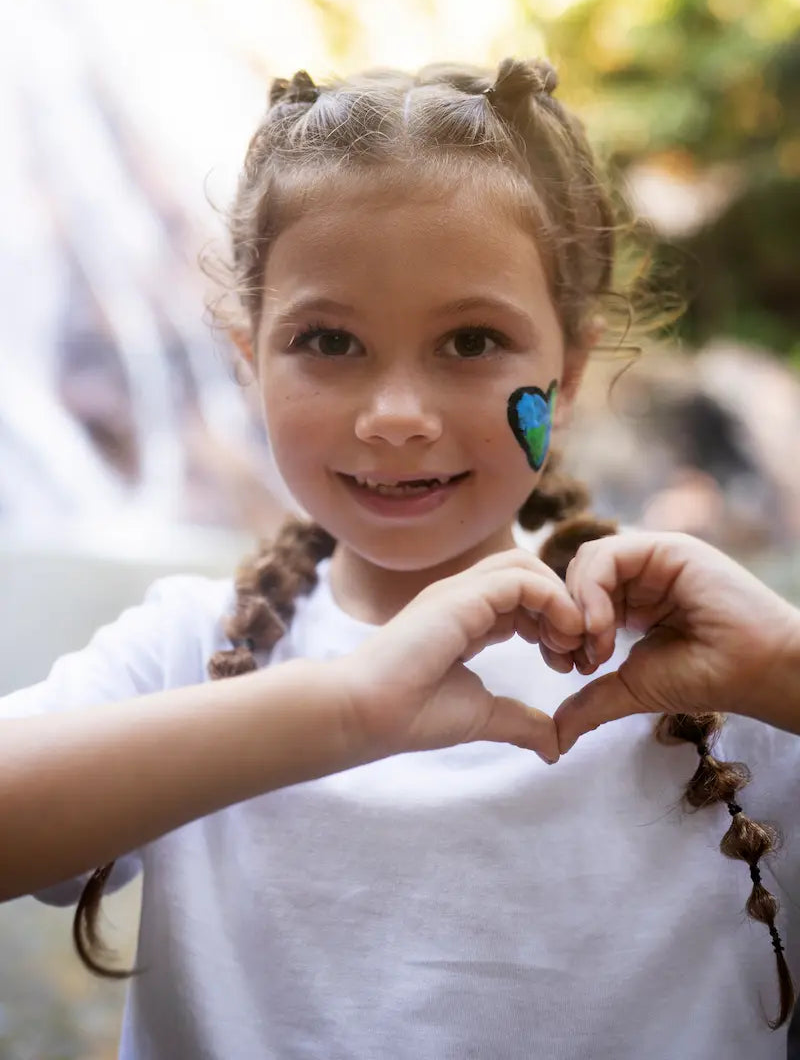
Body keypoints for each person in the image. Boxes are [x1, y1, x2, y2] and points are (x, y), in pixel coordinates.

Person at [3, 59, 800, 1060]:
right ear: (249, 356)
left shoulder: (717, 688)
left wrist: (782, 670)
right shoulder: (189, 656)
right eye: (327, 342)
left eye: (470, 340)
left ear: (568, 367)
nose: (394, 418)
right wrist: (342, 710)